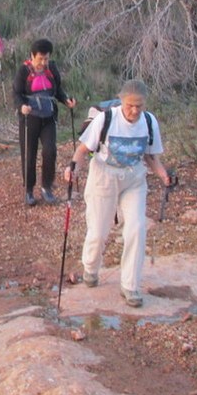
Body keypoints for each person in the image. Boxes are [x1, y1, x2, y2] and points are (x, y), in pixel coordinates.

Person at [63, 79, 172, 308]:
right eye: (130, 105)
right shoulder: (107, 119)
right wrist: (72, 168)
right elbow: (83, 150)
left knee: (136, 228)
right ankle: (91, 268)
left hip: (134, 178)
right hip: (103, 176)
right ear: (121, 101)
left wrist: (164, 176)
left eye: (139, 106)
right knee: (99, 231)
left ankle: (130, 286)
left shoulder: (149, 122)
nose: (134, 111)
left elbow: (151, 157)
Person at [13, 38, 76, 207]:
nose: (43, 62)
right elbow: (17, 93)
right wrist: (22, 106)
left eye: (46, 58)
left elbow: (58, 90)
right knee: (29, 154)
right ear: (32, 56)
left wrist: (66, 100)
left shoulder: (52, 68)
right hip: (30, 117)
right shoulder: (24, 71)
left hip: (48, 117)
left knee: (50, 151)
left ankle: (46, 186)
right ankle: (28, 190)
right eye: (40, 58)